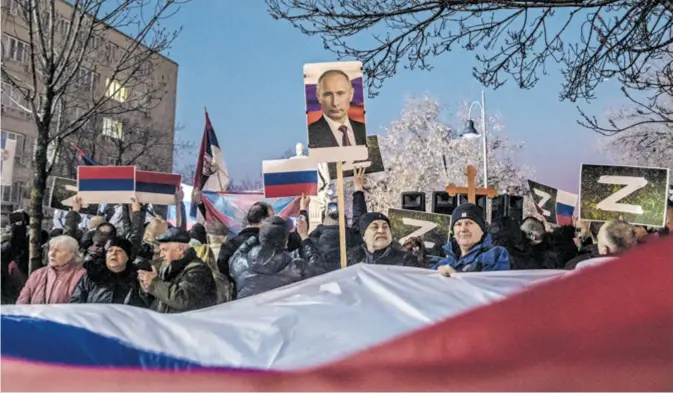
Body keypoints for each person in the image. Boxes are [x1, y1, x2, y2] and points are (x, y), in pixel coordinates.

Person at [229, 215, 327, 299]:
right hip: (284, 317)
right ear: (286, 242)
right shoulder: (297, 268)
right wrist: (304, 236)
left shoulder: (239, 263)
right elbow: (319, 271)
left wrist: (257, 237)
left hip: (249, 317)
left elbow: (239, 252)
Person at [138, 227, 217, 313]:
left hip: (188, 325)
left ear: (180, 249)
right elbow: (161, 301)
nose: (161, 255)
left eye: (165, 250)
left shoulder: (198, 270)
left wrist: (155, 283)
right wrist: (147, 288)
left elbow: (182, 299)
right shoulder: (166, 267)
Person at [432, 203, 511, 275]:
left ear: (482, 230)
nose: (463, 229)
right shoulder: (446, 261)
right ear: (453, 233)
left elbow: (493, 286)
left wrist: (456, 276)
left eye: (469, 223)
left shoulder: (496, 254)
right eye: (458, 224)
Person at [70, 237, 147, 307]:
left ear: (128, 257)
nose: (114, 253)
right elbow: (76, 303)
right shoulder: (92, 275)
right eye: (110, 250)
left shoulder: (138, 279)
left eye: (119, 251)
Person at [17, 235, 86, 304]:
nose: (52, 254)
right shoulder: (38, 274)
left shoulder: (82, 275)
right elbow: (22, 302)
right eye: (51, 249)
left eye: (58, 250)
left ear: (72, 254)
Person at [308, 69, 367, 149]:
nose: (335, 103)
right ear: (319, 97)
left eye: (340, 93)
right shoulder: (310, 134)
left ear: (351, 94)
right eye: (328, 95)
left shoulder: (364, 130)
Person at [216, 201, 274, 275]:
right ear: (263, 221)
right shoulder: (270, 244)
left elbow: (222, 272)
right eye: (272, 219)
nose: (274, 223)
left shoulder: (228, 245)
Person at [347, 212, 424, 267]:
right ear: (364, 236)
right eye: (375, 227)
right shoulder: (351, 260)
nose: (381, 231)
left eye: (385, 227)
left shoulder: (406, 260)